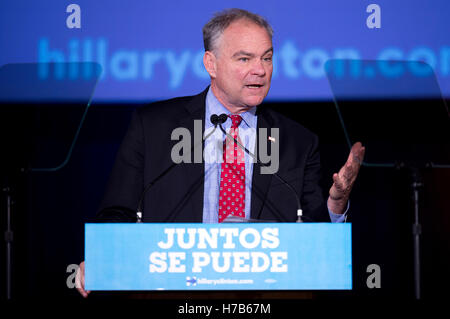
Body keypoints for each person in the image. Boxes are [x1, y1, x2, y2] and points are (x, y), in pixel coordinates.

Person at [76, 8, 365, 297]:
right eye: (244, 58)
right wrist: (104, 255)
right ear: (211, 64)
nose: (260, 70)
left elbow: (313, 237)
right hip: (174, 294)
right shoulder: (153, 127)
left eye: (267, 57)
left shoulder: (297, 141)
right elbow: (119, 210)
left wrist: (336, 204)